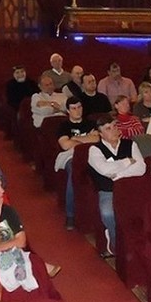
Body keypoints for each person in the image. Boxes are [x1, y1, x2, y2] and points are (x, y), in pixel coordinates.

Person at [0, 174, 56, 288]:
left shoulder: (8, 211)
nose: (2, 191)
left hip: (9, 257)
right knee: (27, 268)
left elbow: (21, 241)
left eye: (1, 186)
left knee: (32, 268)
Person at [88, 117, 146, 257]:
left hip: (130, 189)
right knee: (108, 213)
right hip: (108, 191)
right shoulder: (95, 150)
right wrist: (127, 161)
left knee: (147, 210)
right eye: (108, 128)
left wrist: (117, 176)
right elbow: (104, 169)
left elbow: (141, 168)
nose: (114, 130)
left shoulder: (130, 144)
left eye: (114, 126)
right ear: (100, 134)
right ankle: (115, 243)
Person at [56, 98, 99, 230]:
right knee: (73, 173)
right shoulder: (63, 126)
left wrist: (75, 138)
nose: (77, 110)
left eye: (79, 107)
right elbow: (65, 145)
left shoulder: (90, 123)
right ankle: (70, 215)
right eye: (74, 108)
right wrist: (87, 139)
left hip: (92, 154)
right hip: (71, 157)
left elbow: (97, 139)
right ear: (68, 110)